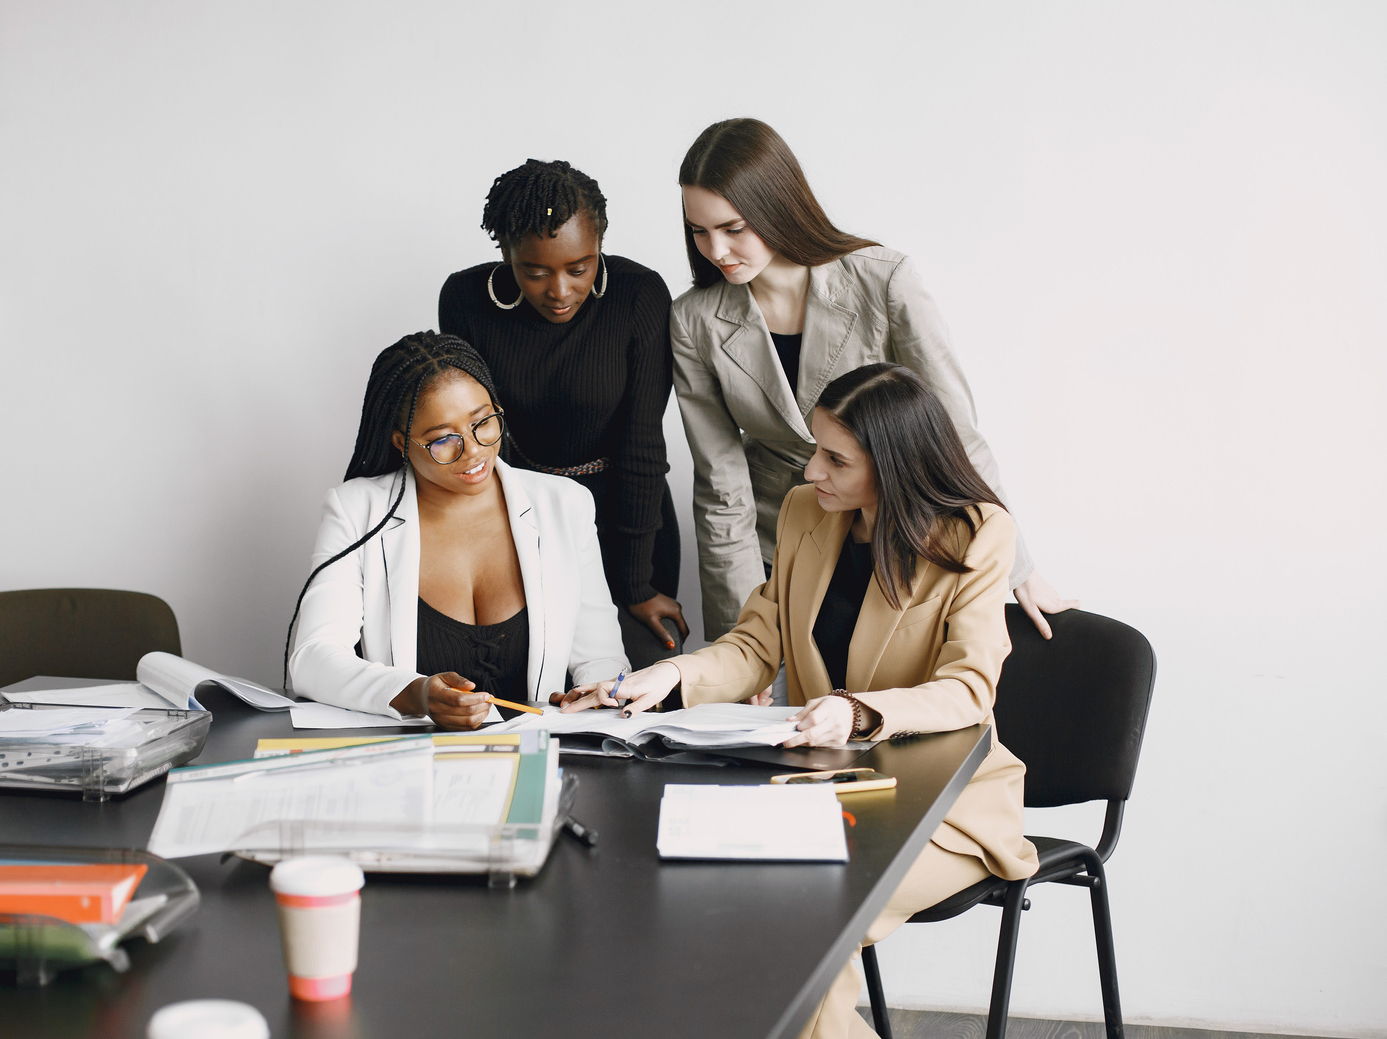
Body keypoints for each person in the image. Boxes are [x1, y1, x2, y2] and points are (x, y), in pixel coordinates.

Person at [561, 363, 1040, 1039]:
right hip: (826, 794)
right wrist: (667, 677)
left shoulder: (977, 532)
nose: (812, 470)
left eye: (835, 458)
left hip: (946, 808)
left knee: (808, 928)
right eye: (814, 448)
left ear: (894, 465)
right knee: (721, 910)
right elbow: (758, 641)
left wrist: (857, 709)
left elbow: (967, 687)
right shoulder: (804, 513)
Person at [671, 117, 1077, 644]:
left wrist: (1017, 567)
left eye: (733, 229)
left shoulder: (883, 280)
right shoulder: (693, 320)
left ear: (776, 206)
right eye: (699, 231)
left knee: (883, 712)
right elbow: (721, 487)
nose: (716, 251)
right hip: (781, 548)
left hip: (897, 538)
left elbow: (953, 433)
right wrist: (740, 632)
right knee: (775, 715)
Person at [285, 331, 628, 728]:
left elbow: (600, 657)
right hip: (415, 762)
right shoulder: (357, 510)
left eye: (483, 422)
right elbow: (312, 657)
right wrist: (417, 694)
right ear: (401, 443)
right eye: (443, 440)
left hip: (539, 751)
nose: (474, 451)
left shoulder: (565, 505)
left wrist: (595, 691)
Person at [440, 158, 688, 671]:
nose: (559, 291)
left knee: (633, 686)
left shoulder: (637, 295)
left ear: (600, 247)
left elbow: (643, 444)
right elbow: (475, 437)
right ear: (506, 254)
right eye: (535, 271)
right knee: (522, 685)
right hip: (518, 518)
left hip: (627, 520)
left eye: (580, 268)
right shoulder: (465, 300)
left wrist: (638, 586)